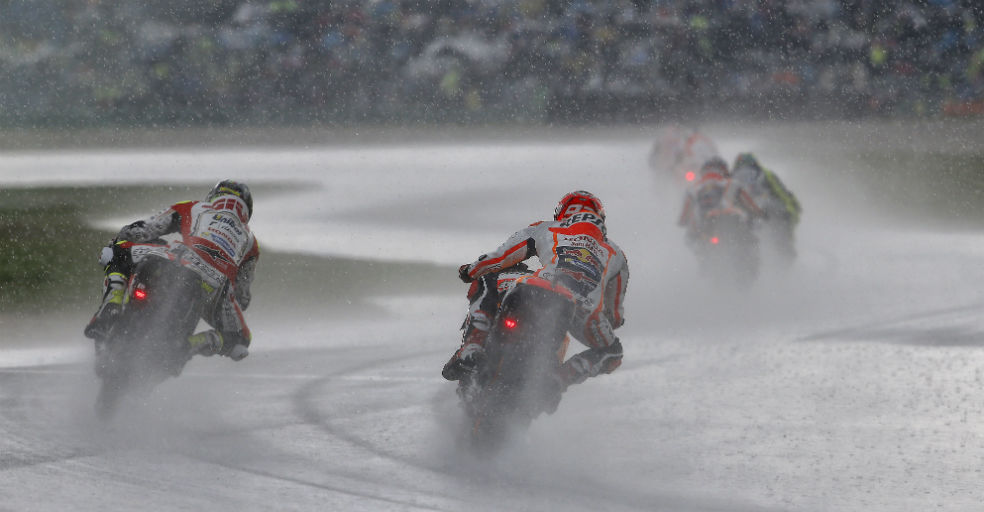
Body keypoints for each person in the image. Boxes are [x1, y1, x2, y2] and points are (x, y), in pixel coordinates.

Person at [443, 190, 629, 394]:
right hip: (582, 312)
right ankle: (558, 380)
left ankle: (473, 346)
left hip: (538, 289)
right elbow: (616, 316)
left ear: (562, 213)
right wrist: (605, 322)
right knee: (613, 352)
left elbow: (500, 258)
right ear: (600, 218)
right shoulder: (616, 253)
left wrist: (470, 271)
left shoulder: (546, 228)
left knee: (487, 280)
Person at [83, 180, 259, 361]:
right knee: (241, 339)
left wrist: (122, 235)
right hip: (215, 287)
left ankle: (112, 304)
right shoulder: (251, 242)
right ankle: (190, 345)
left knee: (117, 250)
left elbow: (145, 229)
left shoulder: (194, 207)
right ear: (247, 212)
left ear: (214, 196)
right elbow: (242, 297)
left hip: (174, 258)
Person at [731, 153, 802, 260]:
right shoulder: (766, 174)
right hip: (767, 210)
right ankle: (785, 252)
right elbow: (783, 195)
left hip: (742, 213)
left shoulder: (730, 177)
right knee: (781, 227)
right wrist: (792, 213)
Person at [677, 157, 764, 243]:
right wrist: (760, 213)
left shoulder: (692, 189)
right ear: (724, 170)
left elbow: (683, 219)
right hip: (733, 222)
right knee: (751, 238)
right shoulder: (732, 183)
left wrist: (685, 223)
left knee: (691, 239)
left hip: (705, 228)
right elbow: (751, 205)